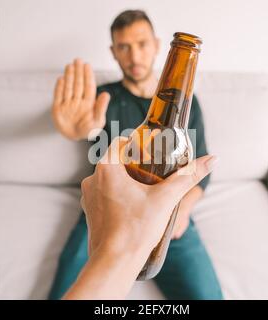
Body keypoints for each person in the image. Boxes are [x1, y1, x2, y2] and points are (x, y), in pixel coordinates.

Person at [49, 9, 223, 300]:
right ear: (113, 52)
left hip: (167, 211)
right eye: (124, 47)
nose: (134, 55)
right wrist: (78, 131)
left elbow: (200, 169)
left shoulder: (186, 107)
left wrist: (183, 211)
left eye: (141, 44)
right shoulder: (102, 97)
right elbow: (88, 129)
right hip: (106, 208)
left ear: (156, 45)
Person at [64, 137, 217, 299]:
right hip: (107, 203)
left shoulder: (189, 116)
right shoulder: (106, 111)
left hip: (170, 209)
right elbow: (83, 129)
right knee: (67, 282)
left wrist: (183, 208)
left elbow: (201, 169)